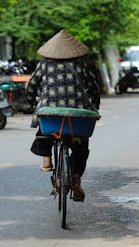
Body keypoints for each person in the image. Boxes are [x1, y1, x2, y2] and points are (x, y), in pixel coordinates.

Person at [26, 30, 100, 202]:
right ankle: (75, 178)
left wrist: (32, 104)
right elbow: (93, 86)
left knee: (43, 127)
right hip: (77, 116)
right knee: (81, 145)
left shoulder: (44, 64)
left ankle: (47, 159)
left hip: (51, 113)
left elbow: (32, 86)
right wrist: (95, 104)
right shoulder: (80, 64)